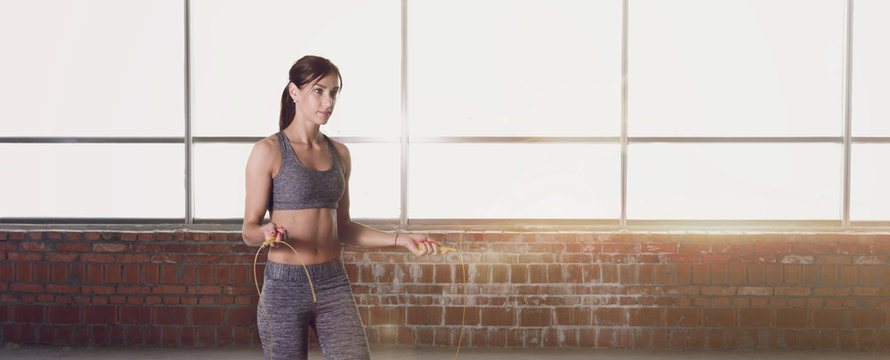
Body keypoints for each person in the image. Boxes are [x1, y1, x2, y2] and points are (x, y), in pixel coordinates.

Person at [241, 55, 445, 360]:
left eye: (334, 92)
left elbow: (344, 228)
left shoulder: (340, 154)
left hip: (333, 283)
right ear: (294, 92)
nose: (328, 101)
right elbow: (248, 230)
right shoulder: (268, 151)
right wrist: (265, 232)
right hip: (284, 288)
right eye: (319, 91)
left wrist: (400, 239)